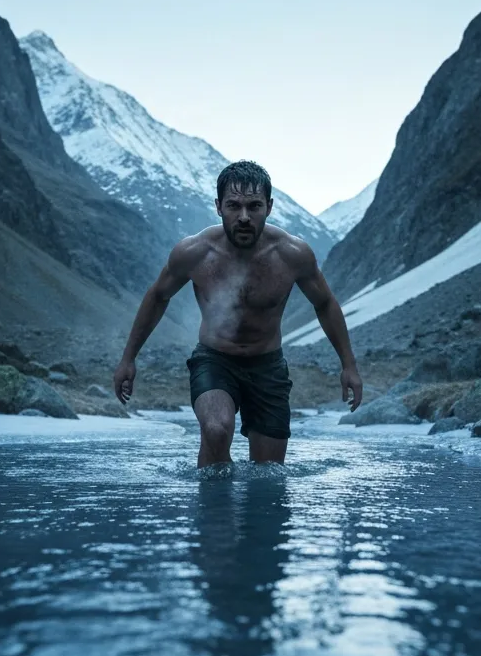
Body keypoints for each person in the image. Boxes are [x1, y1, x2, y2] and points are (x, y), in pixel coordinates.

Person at [112, 160, 363, 467]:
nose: (244, 217)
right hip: (215, 359)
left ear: (269, 207)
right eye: (234, 206)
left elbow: (324, 303)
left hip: (268, 366)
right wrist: (128, 359)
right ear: (219, 207)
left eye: (254, 206)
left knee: (268, 473)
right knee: (216, 430)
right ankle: (214, 510)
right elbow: (157, 296)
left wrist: (348, 365)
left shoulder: (292, 254)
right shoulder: (194, 252)